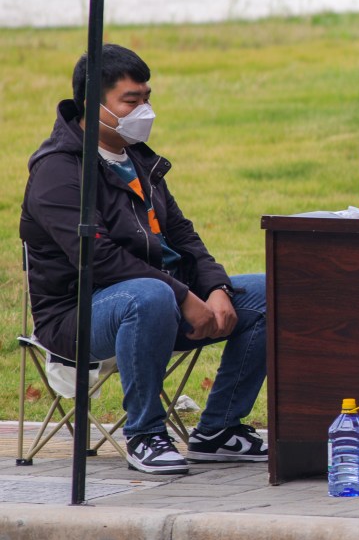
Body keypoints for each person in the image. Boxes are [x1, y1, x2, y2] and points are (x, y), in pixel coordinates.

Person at [20, 45, 268, 475]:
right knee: (149, 296)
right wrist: (182, 294)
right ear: (92, 104)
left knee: (270, 292)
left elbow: (184, 236)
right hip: (77, 315)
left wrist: (216, 287)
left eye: (147, 98)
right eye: (130, 101)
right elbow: (98, 257)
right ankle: (145, 434)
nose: (144, 110)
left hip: (161, 300)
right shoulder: (58, 170)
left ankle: (218, 430)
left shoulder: (137, 158)